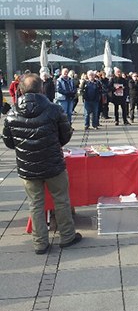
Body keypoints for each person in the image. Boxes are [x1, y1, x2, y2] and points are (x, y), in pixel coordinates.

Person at [2, 73, 82, 254]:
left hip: (27, 166)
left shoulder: (12, 113)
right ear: (42, 88)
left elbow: (8, 142)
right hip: (53, 163)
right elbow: (65, 135)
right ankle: (67, 236)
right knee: (61, 200)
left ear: (20, 90)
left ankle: (40, 243)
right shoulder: (54, 109)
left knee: (35, 204)